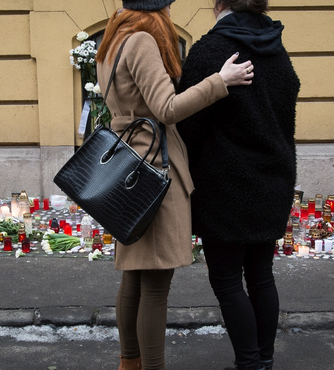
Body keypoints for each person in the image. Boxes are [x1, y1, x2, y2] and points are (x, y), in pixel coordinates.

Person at [95, 1, 255, 369]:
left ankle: (129, 363)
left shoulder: (114, 36)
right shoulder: (141, 41)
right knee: (155, 283)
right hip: (151, 169)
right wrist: (220, 81)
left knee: (134, 275)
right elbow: (165, 108)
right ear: (161, 6)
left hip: (127, 165)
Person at [176, 1, 300, 369]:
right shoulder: (276, 46)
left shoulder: (211, 50)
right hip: (273, 177)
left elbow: (187, 126)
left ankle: (250, 364)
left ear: (219, 3)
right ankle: (264, 360)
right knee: (261, 275)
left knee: (228, 281)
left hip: (225, 186)